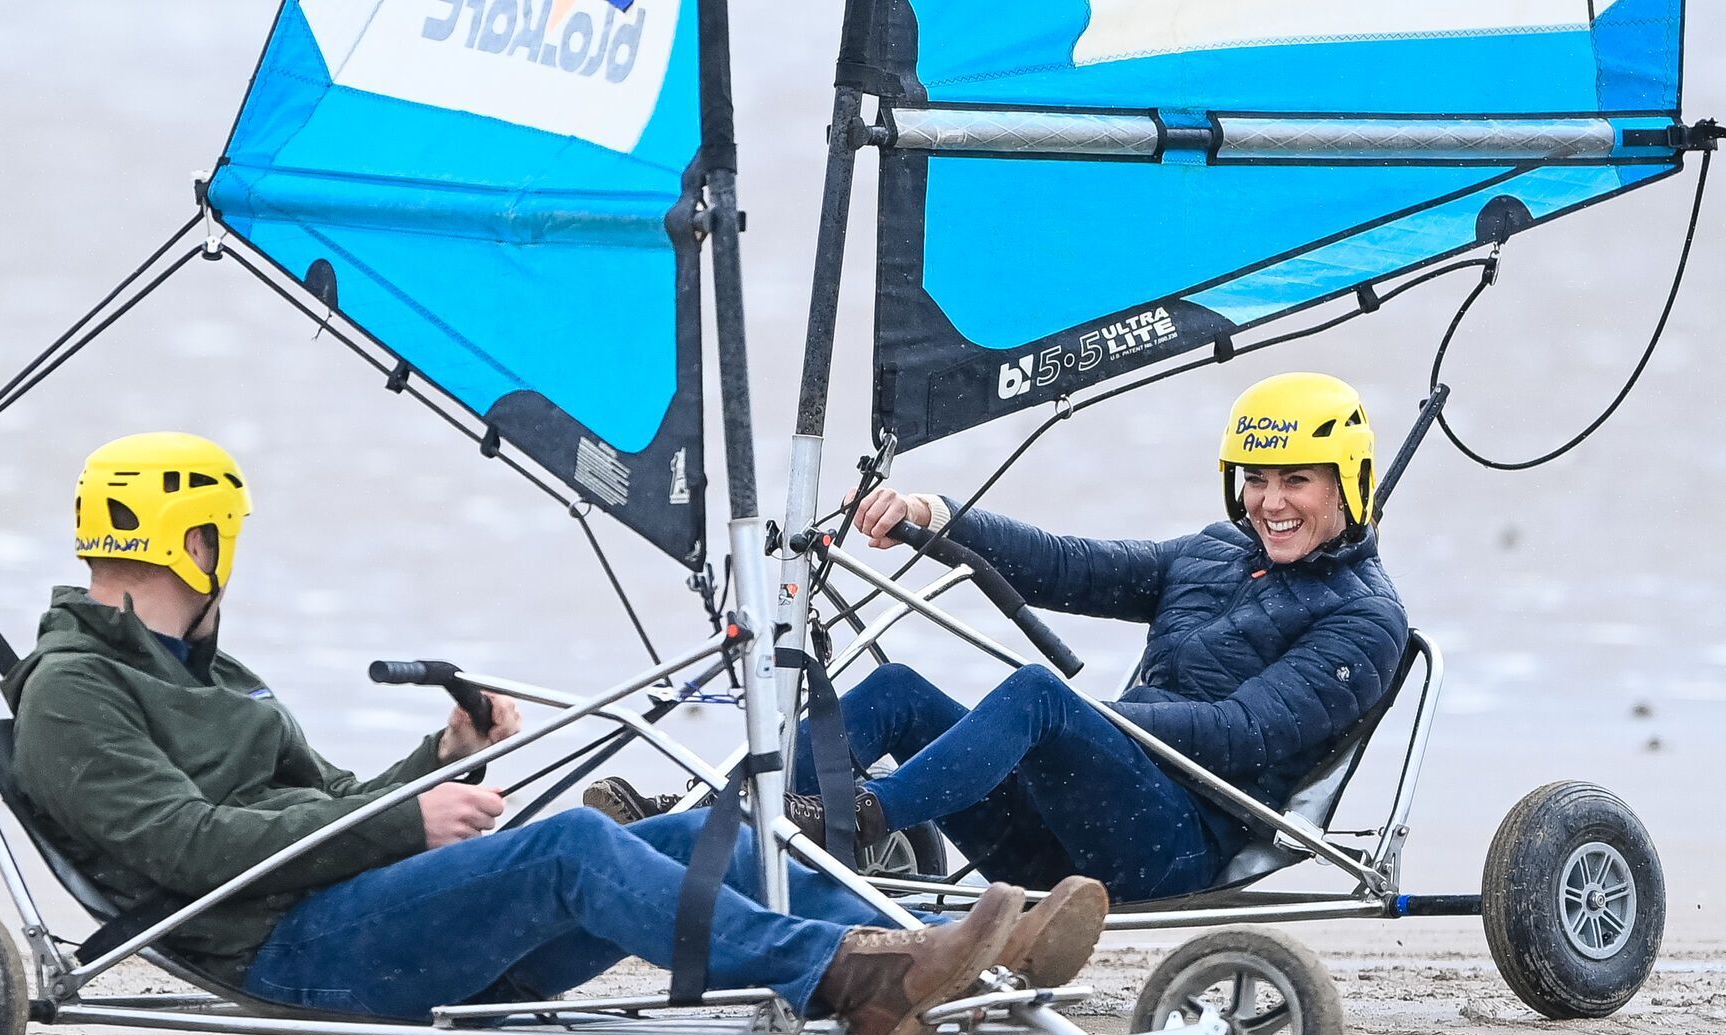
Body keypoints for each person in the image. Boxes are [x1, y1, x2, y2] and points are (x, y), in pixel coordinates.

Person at [0, 433, 1109, 1035]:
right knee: (576, 843)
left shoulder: (214, 674)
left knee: (695, 828)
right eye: (223, 539)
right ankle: (859, 980)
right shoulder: (74, 691)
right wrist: (402, 822)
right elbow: (193, 850)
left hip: (359, 908)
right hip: (287, 949)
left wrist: (439, 756)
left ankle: (952, 963)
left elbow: (326, 804)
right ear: (199, 541)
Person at [590, 373, 1409, 903]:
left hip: (1173, 848)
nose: (1272, 503)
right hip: (1067, 828)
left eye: (1297, 480)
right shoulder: (1215, 550)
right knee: (898, 690)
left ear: (1350, 482)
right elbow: (1065, 566)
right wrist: (931, 517)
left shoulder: (1364, 618)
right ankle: (705, 816)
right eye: (1257, 480)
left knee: (1038, 696)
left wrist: (1088, 721)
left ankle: (857, 818)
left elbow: (1241, 737)